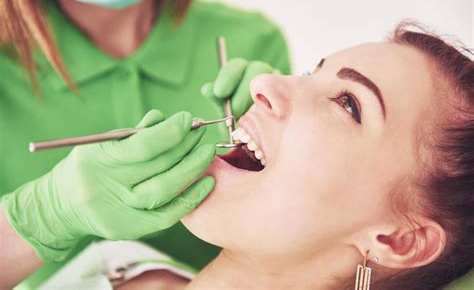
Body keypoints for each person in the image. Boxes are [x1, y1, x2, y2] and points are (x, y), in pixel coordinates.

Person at [37, 22, 474, 289]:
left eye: (348, 103)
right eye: (310, 71)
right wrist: (41, 219)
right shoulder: (119, 265)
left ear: (398, 240)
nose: (262, 86)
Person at [0, 0, 291, 288]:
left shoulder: (252, 42)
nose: (274, 91)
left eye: (347, 105)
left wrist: (275, 152)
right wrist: (46, 214)